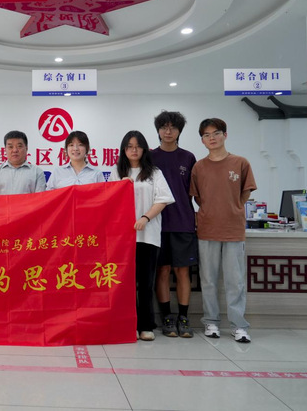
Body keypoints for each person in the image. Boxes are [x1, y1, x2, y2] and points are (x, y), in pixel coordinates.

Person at [190, 118, 256, 343]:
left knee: (235, 281)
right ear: (202, 140)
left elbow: (245, 192)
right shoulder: (198, 167)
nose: (212, 138)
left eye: (216, 133)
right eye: (206, 135)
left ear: (225, 135)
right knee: (208, 280)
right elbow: (198, 197)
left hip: (233, 230)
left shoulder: (240, 163)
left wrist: (233, 208)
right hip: (207, 229)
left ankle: (239, 326)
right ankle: (211, 322)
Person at [109, 130, 174, 341]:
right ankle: (128, 325)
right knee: (125, 284)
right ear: (123, 150)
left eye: (137, 146)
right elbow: (109, 201)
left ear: (144, 149)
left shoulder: (154, 172)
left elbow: (162, 200)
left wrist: (145, 218)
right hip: (123, 238)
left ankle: (146, 325)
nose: (133, 150)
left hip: (148, 235)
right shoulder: (117, 171)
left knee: (145, 283)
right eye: (129, 146)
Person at [152, 111, 198, 338]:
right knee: (162, 270)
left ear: (179, 131)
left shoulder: (188, 158)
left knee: (182, 271)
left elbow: (194, 191)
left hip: (183, 222)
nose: (168, 131)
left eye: (173, 127)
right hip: (157, 223)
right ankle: (167, 317)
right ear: (158, 130)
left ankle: (184, 317)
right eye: (164, 127)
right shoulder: (150, 157)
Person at [0, 130, 46, 195]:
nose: (15, 150)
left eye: (19, 146)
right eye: (10, 147)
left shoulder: (37, 172)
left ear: (26, 148)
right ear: (5, 149)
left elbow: (40, 198)